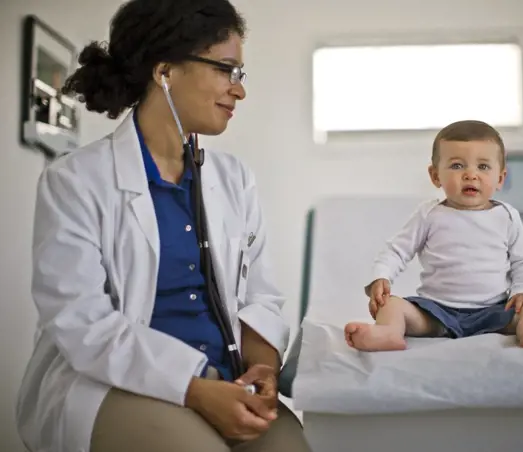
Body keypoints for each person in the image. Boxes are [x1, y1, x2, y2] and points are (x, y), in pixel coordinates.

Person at [15, 1, 310, 451]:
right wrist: (193, 389)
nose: (239, 91)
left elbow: (261, 296)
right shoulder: (76, 180)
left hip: (228, 378)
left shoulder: (234, 179)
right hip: (114, 383)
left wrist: (263, 369)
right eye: (225, 69)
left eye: (239, 74)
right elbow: (81, 322)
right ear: (165, 71)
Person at [344, 120, 523, 353]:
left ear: (500, 178)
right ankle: (388, 333)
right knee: (392, 306)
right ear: (435, 175)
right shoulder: (429, 214)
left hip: (495, 311)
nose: (471, 175)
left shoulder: (507, 217)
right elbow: (397, 250)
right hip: (436, 313)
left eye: (483, 167)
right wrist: (381, 276)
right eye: (457, 166)